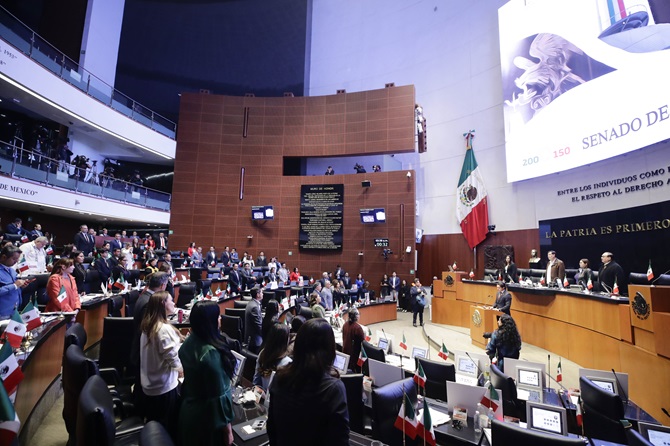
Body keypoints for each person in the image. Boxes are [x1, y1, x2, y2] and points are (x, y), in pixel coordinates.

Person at [269, 318, 349, 445]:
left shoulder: (279, 376)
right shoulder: (334, 389)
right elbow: (340, 441)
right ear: (330, 348)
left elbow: (272, 429)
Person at [179, 301, 236, 446]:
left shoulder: (189, 342)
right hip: (207, 420)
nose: (220, 319)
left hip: (189, 412)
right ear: (209, 322)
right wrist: (228, 432)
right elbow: (219, 397)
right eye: (217, 316)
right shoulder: (210, 354)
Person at [139, 291, 183, 438]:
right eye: (171, 300)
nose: (174, 303)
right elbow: (175, 361)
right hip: (164, 390)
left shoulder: (148, 325)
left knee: (156, 429)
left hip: (151, 386)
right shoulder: (163, 329)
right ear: (163, 304)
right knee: (166, 431)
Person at [253, 323, 292, 391]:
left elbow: (256, 383)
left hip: (260, 397)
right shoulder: (287, 362)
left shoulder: (263, 353)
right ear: (285, 340)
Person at [0, 245, 29, 318]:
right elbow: (13, 286)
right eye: (14, 259)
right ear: (4, 257)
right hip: (3, 313)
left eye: (17, 259)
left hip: (15, 311)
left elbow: (15, 288)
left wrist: (22, 286)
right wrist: (14, 285)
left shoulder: (12, 271)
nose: (16, 262)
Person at [343, 307, 364, 373]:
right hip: (354, 356)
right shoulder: (357, 328)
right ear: (356, 316)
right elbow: (363, 343)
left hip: (346, 352)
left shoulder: (345, 324)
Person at [244, 287, 263, 353]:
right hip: (255, 341)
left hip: (252, 337)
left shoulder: (252, 303)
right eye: (261, 292)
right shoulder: (254, 307)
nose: (263, 294)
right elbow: (258, 326)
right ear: (258, 294)